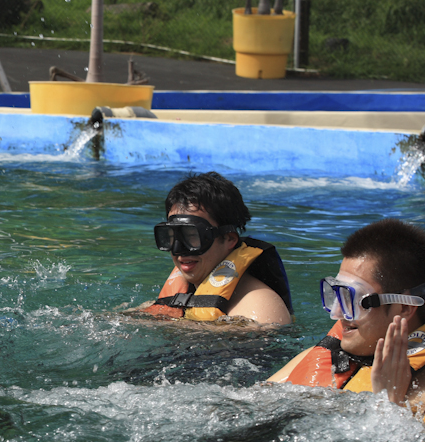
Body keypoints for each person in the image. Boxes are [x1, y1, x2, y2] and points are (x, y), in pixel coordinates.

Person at [269, 219, 425, 409]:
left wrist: (389, 403)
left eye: (353, 299)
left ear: (404, 308)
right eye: (337, 295)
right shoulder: (321, 355)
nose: (336, 313)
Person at [141, 171, 292, 325]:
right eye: (172, 235)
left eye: (192, 235)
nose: (179, 249)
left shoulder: (260, 306)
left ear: (229, 239)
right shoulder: (185, 294)